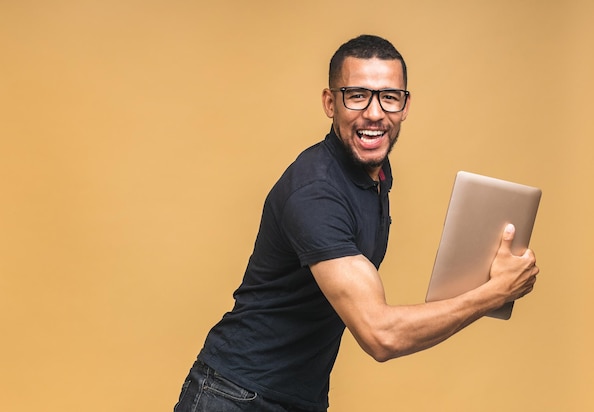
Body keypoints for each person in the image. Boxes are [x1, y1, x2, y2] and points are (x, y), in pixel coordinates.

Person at [174, 34, 539, 412]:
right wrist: (495, 293)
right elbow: (380, 334)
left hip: (297, 398)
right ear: (330, 103)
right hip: (236, 396)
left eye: (389, 96)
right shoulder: (315, 192)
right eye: (357, 95)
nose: (375, 113)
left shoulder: (374, 172)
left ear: (405, 105)